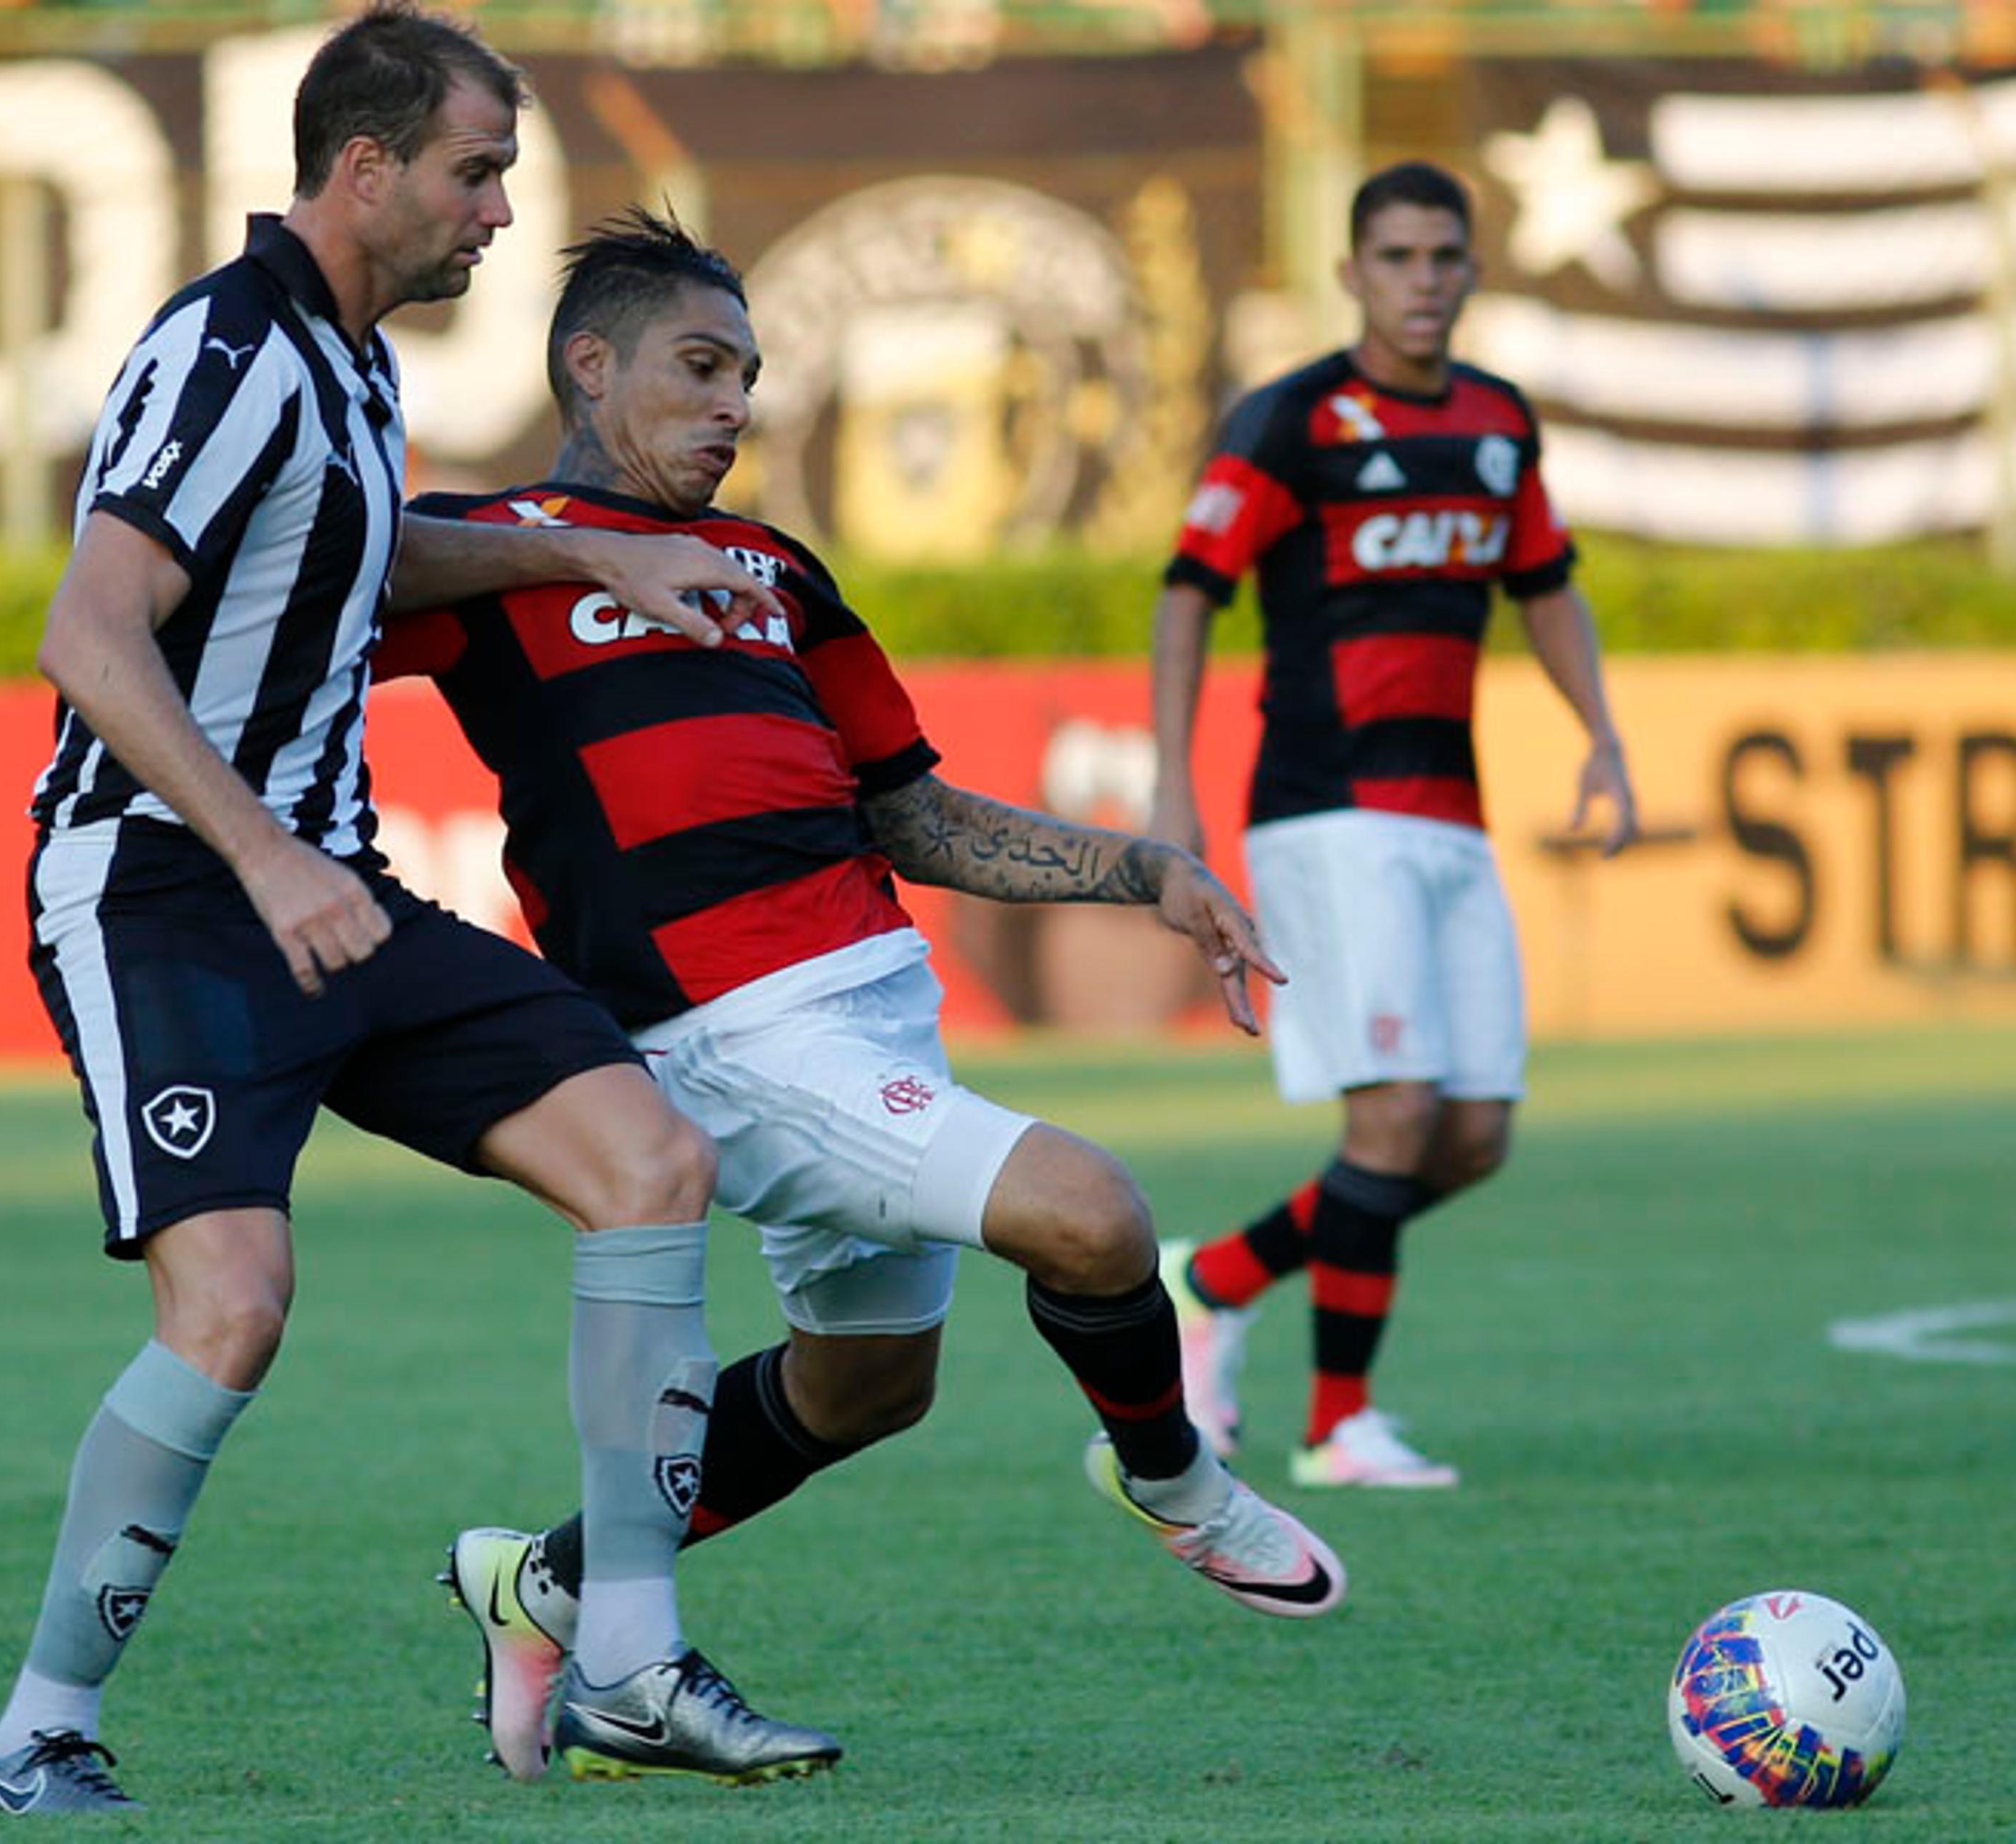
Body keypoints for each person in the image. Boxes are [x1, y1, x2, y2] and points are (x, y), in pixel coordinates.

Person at [0, 9, 838, 1816]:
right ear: (364, 169)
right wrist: (266, 857)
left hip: (333, 894)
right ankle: (37, 1732)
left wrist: (586, 550)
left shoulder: (350, 360)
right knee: (236, 1302)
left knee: (648, 1163)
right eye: (475, 170)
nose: (499, 210)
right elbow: (88, 633)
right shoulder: (224, 348)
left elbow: (366, 553)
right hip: (162, 893)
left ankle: (625, 1663)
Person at [377, 207, 1345, 1787]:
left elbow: (914, 812)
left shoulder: (774, 567)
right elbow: (321, 578)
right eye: (699, 366)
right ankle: (1175, 1480)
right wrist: (570, 544)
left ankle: (544, 1584)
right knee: (1093, 1212)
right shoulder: (497, 548)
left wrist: (1139, 868)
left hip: (874, 1004)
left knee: (868, 1384)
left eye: (747, 374)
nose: (733, 403)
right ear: (588, 362)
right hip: (722, 1029)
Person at [1147, 161, 1638, 1490]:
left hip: (1452, 820)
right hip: (1326, 811)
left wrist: (1601, 734)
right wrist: (1173, 787)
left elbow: (1546, 585)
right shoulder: (1292, 421)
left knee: (1473, 1137)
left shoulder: (1497, 421)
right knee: (1393, 1120)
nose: (1424, 280)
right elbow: (1188, 591)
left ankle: (1217, 1279)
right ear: (1353, 273)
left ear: (1472, 270)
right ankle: (1339, 1427)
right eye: (1399, 258)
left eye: (1444, 257)